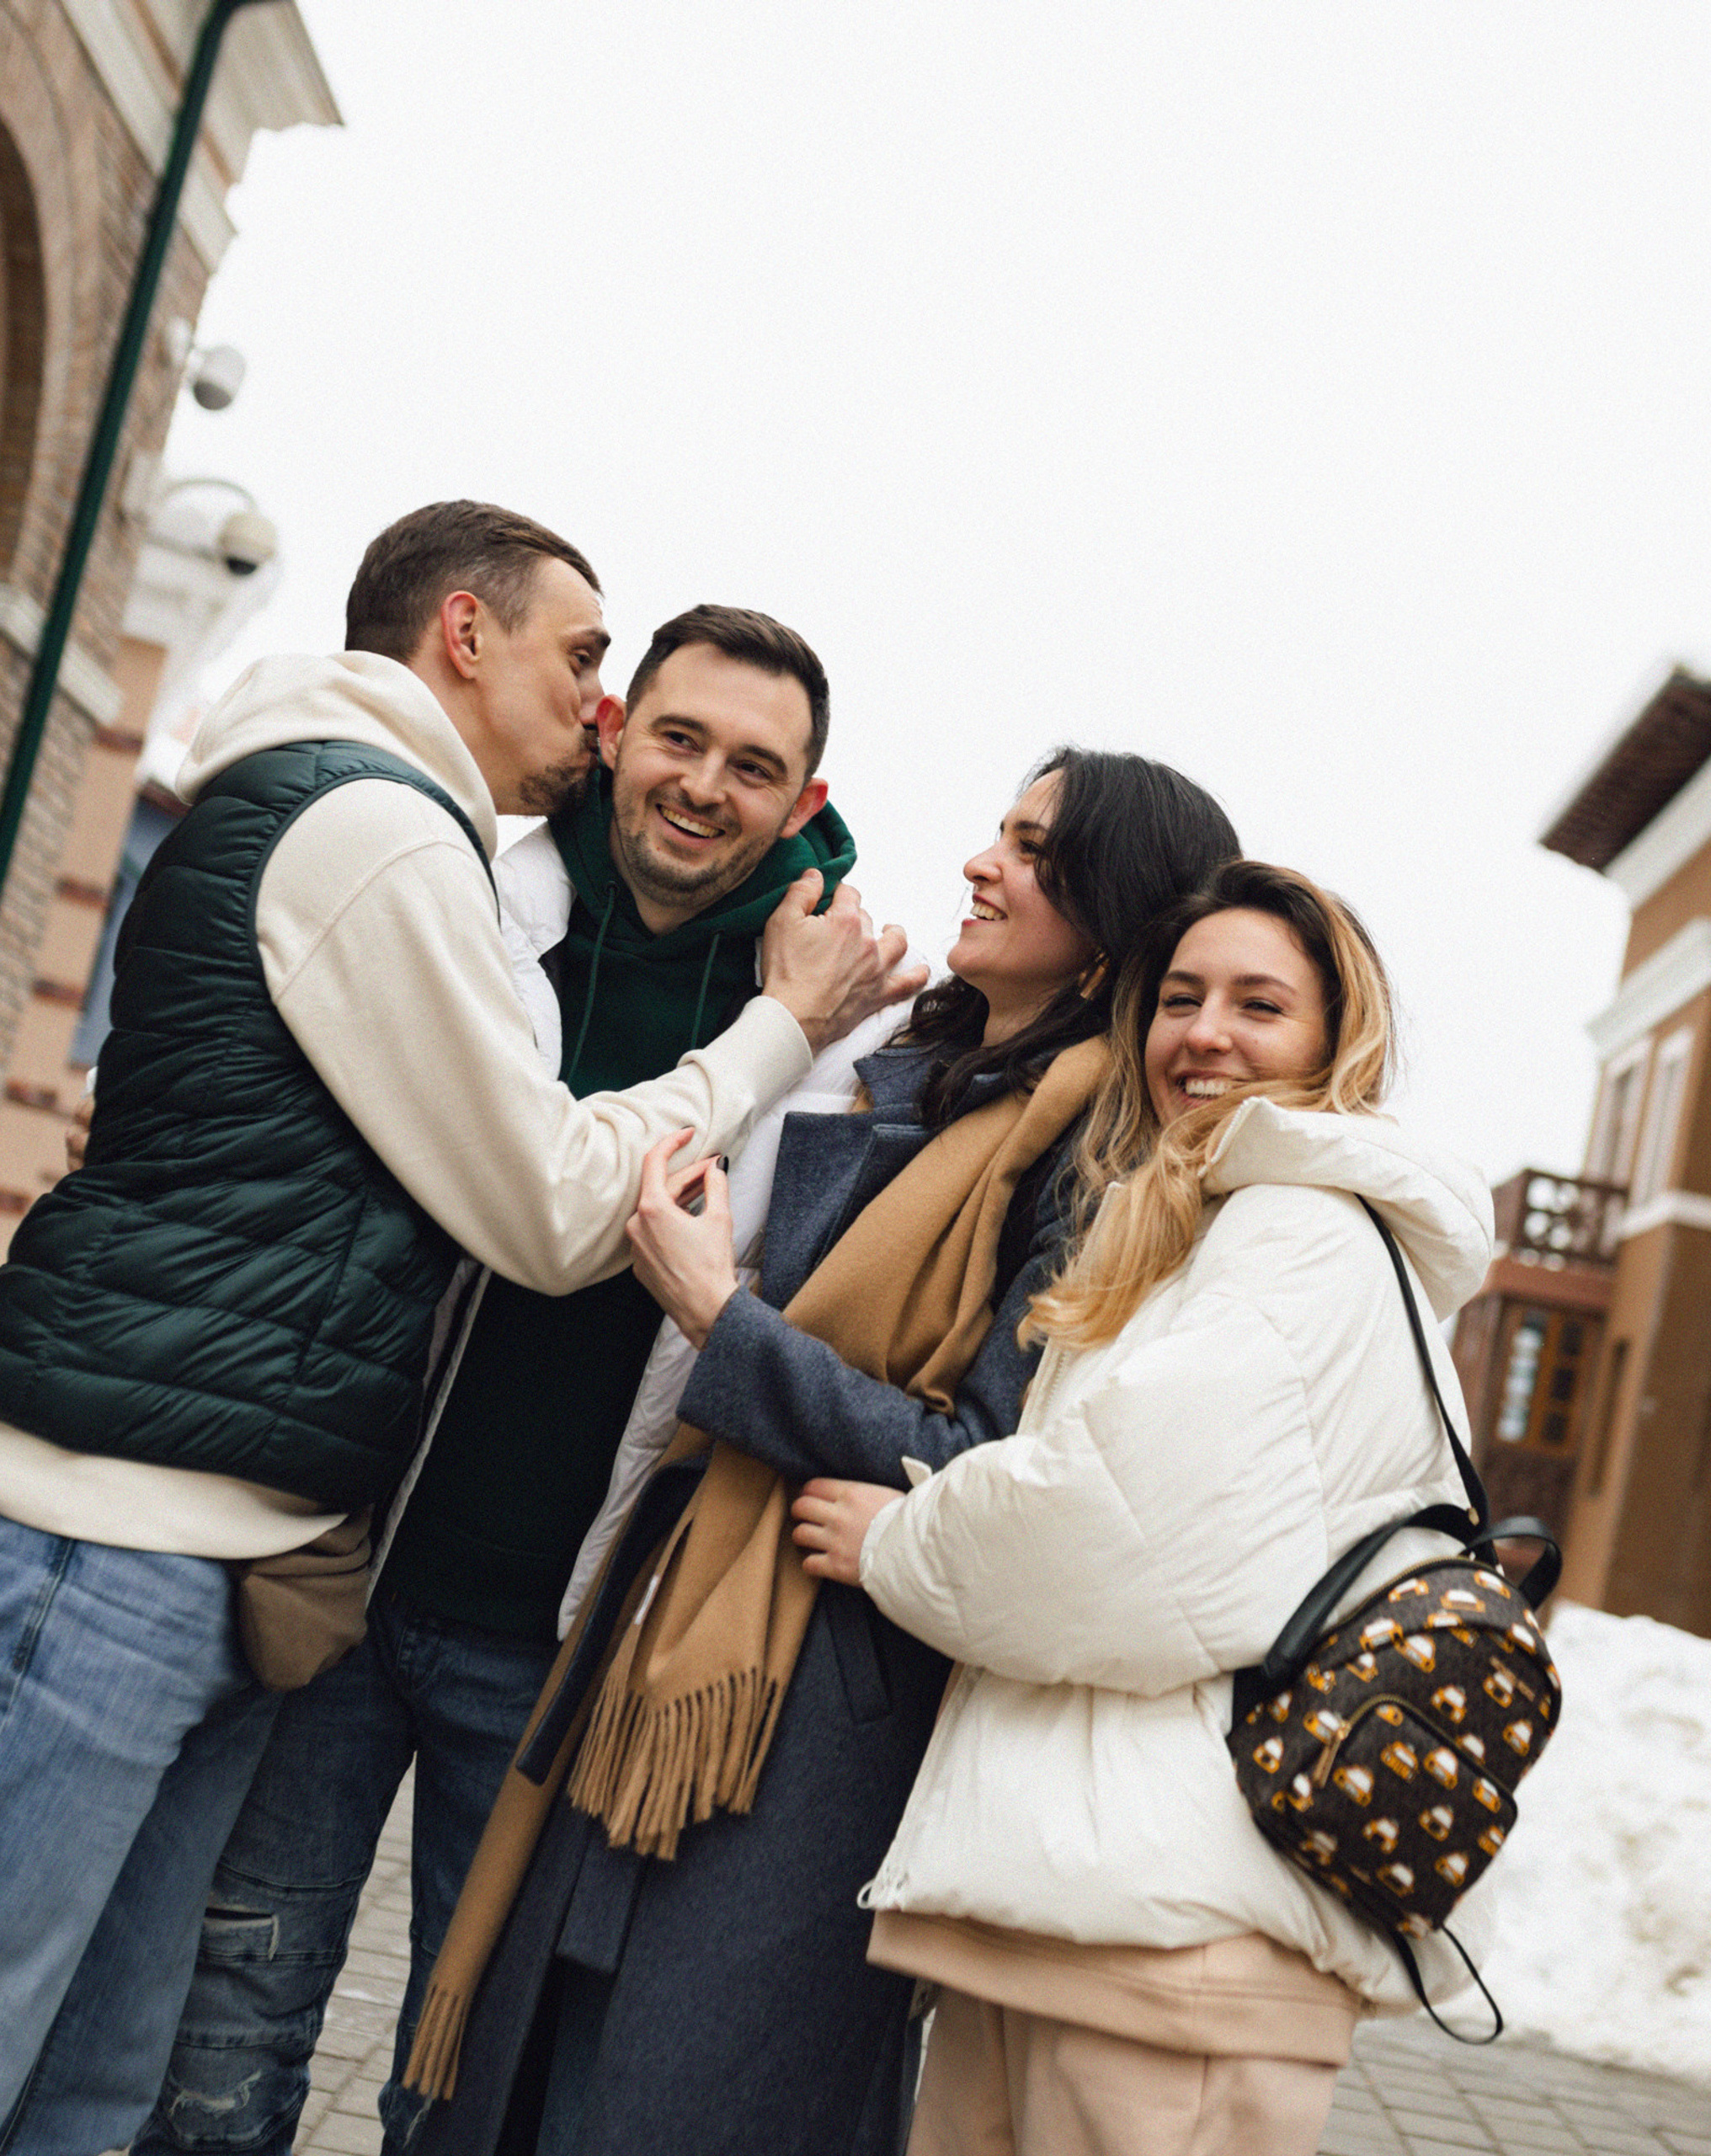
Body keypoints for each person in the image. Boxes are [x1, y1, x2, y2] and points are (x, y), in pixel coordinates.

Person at [0, 502, 915, 2156]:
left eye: (754, 765)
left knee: (444, 2060)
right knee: (212, 2032)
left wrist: (789, 1027)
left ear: (807, 802)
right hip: (317, 1571)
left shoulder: (836, 1027)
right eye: (660, 724)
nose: (697, 782)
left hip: (543, 1627)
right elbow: (519, 1191)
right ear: (605, 722)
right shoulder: (449, 862)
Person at [402, 750, 1241, 2156]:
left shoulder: (1098, 1166)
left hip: (818, 1715)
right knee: (543, 2070)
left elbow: (981, 1456)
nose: (983, 862)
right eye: (998, 831)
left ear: (1111, 915)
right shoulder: (924, 1078)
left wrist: (720, 1320)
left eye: (1032, 849)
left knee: (681, 2101)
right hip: (684, 1643)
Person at [793, 861, 1497, 2156]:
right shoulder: (1213, 1226)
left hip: (1179, 1946)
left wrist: (904, 1538)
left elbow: (1113, 1529)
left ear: (1340, 1042)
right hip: (1097, 1919)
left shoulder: (1303, 1233)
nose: (1205, 1033)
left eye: (1259, 1003)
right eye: (1181, 997)